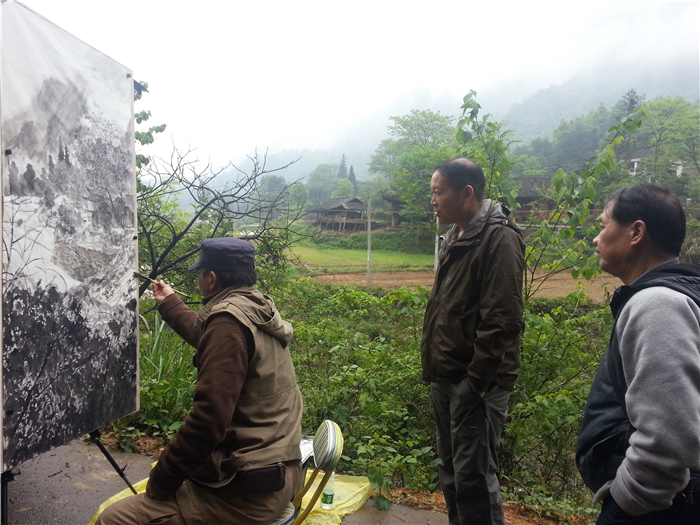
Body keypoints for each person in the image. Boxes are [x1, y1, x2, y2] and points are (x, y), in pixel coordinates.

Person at [97, 237, 303, 525]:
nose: (199, 278)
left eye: (200, 272)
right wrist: (170, 303)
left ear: (212, 278)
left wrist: (163, 479)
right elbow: (215, 343)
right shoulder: (255, 307)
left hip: (246, 490)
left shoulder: (228, 323)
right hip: (276, 471)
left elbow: (208, 421)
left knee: (115, 519)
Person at [577, 184, 700, 524]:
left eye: (603, 225)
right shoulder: (676, 295)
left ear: (636, 232)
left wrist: (626, 502)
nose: (596, 238)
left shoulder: (658, 305)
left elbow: (671, 438)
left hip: (653, 509)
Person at [421, 157, 525, 525]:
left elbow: (502, 319)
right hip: (446, 376)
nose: (432, 200)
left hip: (476, 383)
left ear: (466, 193)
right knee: (451, 471)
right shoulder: (456, 235)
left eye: (438, 192)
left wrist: (476, 385)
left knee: (475, 479)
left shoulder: (500, 239)